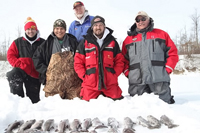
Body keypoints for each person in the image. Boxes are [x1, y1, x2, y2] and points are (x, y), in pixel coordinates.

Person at [122, 11, 179, 104]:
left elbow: (173, 53)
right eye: (138, 20)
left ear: (149, 19)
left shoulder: (161, 34)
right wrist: (128, 73)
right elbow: (123, 59)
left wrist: (167, 69)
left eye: (143, 19)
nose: (141, 21)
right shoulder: (128, 39)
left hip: (159, 78)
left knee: (164, 106)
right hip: (137, 81)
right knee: (137, 106)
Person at [74, 15, 124, 101]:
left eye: (100, 25)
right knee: (86, 104)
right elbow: (78, 63)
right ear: (92, 27)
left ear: (104, 26)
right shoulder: (85, 42)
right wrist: (84, 76)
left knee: (118, 102)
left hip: (110, 84)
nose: (98, 27)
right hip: (90, 85)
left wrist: (114, 74)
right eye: (96, 25)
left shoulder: (112, 42)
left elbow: (119, 61)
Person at [6, 17, 45, 103]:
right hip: (21, 71)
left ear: (36, 30)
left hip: (35, 74)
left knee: (34, 101)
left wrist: (43, 71)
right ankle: (17, 101)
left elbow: (47, 58)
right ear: (25, 30)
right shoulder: (18, 42)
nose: (30, 31)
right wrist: (19, 64)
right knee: (13, 74)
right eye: (28, 29)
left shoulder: (43, 43)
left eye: (32, 29)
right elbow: (10, 55)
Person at [32, 19, 78, 86]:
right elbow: (36, 58)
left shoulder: (72, 41)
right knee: (54, 97)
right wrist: (46, 71)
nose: (59, 31)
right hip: (53, 79)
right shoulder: (47, 44)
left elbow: (80, 57)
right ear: (54, 29)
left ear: (65, 30)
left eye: (62, 28)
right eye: (57, 28)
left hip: (71, 79)